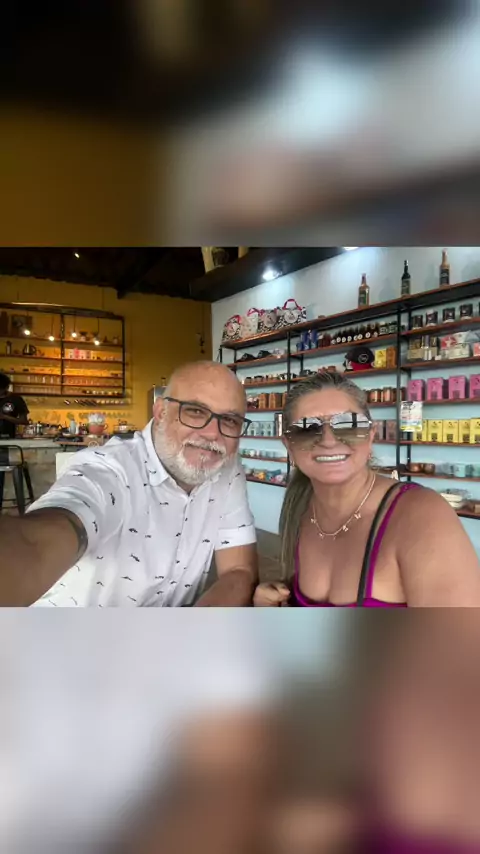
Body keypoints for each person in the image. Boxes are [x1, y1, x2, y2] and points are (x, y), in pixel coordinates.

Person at [0, 361, 258, 607]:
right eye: (195, 411)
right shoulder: (110, 469)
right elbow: (37, 543)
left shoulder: (225, 468)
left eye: (230, 420)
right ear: (161, 413)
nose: (213, 433)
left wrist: (189, 631)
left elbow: (239, 571)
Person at [254, 371, 480, 607]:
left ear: (371, 436)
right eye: (307, 429)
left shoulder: (423, 516)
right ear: (289, 445)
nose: (329, 441)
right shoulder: (299, 507)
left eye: (349, 425)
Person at [0, 372, 29, 438]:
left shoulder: (16, 399)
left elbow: (24, 421)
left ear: (7, 387)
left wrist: (4, 416)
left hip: (8, 438)